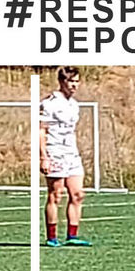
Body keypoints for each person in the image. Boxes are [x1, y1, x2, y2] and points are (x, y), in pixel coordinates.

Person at [40, 66, 90, 247]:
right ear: (62, 82)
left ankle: (72, 235)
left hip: (71, 153)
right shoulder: (49, 104)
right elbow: (41, 130)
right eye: (71, 81)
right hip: (55, 152)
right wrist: (43, 156)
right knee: (56, 194)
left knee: (78, 194)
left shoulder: (74, 104)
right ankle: (52, 237)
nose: (74, 85)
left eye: (77, 81)